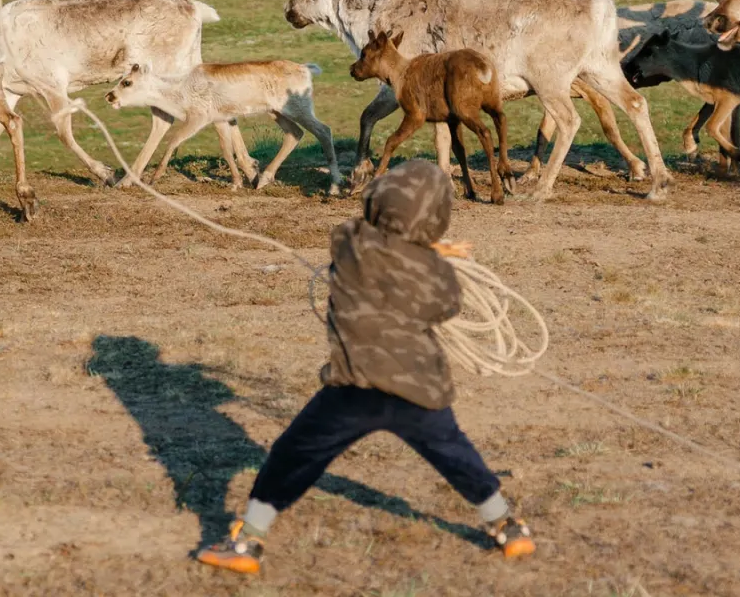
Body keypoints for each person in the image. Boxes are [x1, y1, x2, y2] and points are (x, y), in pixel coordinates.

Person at [197, 159, 535, 575]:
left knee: (293, 455)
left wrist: (413, 247)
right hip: (419, 390)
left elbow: (363, 237)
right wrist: (431, 252)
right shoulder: (438, 273)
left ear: (376, 202)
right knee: (455, 454)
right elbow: (446, 306)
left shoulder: (351, 242)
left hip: (353, 389)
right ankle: (506, 525)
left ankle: (247, 540)